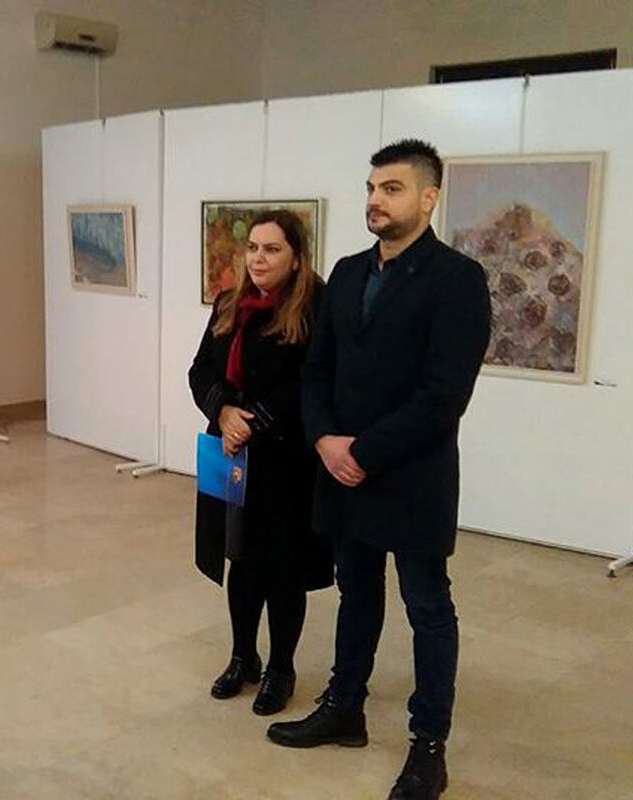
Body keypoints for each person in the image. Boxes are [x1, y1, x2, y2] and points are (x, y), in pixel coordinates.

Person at [266, 140, 490, 800]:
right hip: (342, 470)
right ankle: (346, 708)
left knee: (427, 607)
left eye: (392, 188)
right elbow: (317, 371)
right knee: (356, 591)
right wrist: (324, 441)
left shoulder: (457, 279)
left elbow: (443, 396)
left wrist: (361, 451)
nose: (375, 199)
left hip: (412, 474)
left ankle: (428, 744)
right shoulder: (347, 273)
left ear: (429, 197)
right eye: (371, 187)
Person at [189, 209, 334, 717]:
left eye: (272, 249)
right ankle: (242, 657)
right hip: (231, 454)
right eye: (252, 247)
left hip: (287, 459)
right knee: (242, 560)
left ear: (295, 257)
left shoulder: (315, 306)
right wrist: (223, 412)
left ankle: (281, 668)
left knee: (284, 568)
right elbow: (201, 370)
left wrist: (257, 420)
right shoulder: (230, 303)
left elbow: (313, 379)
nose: (258, 258)